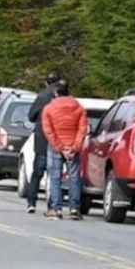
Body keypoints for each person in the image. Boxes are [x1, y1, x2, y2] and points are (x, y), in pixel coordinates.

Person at [41, 80, 88, 221]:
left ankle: (56, 208)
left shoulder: (49, 108)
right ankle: (74, 208)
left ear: (56, 93)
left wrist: (60, 147)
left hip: (56, 147)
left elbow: (48, 131)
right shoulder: (79, 108)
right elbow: (82, 129)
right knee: (74, 177)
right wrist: (74, 147)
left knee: (55, 177)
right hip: (73, 146)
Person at [26, 72, 61, 213]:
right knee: (55, 173)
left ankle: (31, 202)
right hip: (59, 139)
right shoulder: (63, 98)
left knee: (38, 172)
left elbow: (31, 116)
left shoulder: (42, 97)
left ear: (46, 83)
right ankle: (52, 204)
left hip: (42, 138)